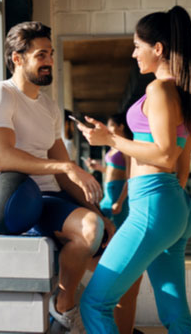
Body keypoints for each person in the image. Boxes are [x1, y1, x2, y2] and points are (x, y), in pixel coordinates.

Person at [0, 21, 113, 333]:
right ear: (17, 59)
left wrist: (99, 213)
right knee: (89, 230)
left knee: (114, 243)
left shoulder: (49, 107)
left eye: (50, 54)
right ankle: (63, 311)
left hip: (55, 197)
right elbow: (2, 157)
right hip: (24, 200)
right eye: (41, 55)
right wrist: (65, 168)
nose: (49, 61)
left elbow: (65, 175)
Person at [76, 5, 191, 333]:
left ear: (157, 49)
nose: (134, 54)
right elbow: (182, 167)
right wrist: (167, 205)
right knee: (175, 315)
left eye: (137, 46)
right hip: (174, 207)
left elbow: (164, 156)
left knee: (94, 303)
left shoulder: (159, 89)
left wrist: (111, 140)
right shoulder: (183, 93)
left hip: (153, 206)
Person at [84, 114, 143, 334]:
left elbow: (129, 176)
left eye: (110, 126)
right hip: (108, 197)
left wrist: (120, 200)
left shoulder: (126, 147)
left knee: (118, 242)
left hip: (118, 196)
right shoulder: (111, 148)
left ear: (119, 126)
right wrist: (97, 167)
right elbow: (110, 172)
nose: (108, 129)